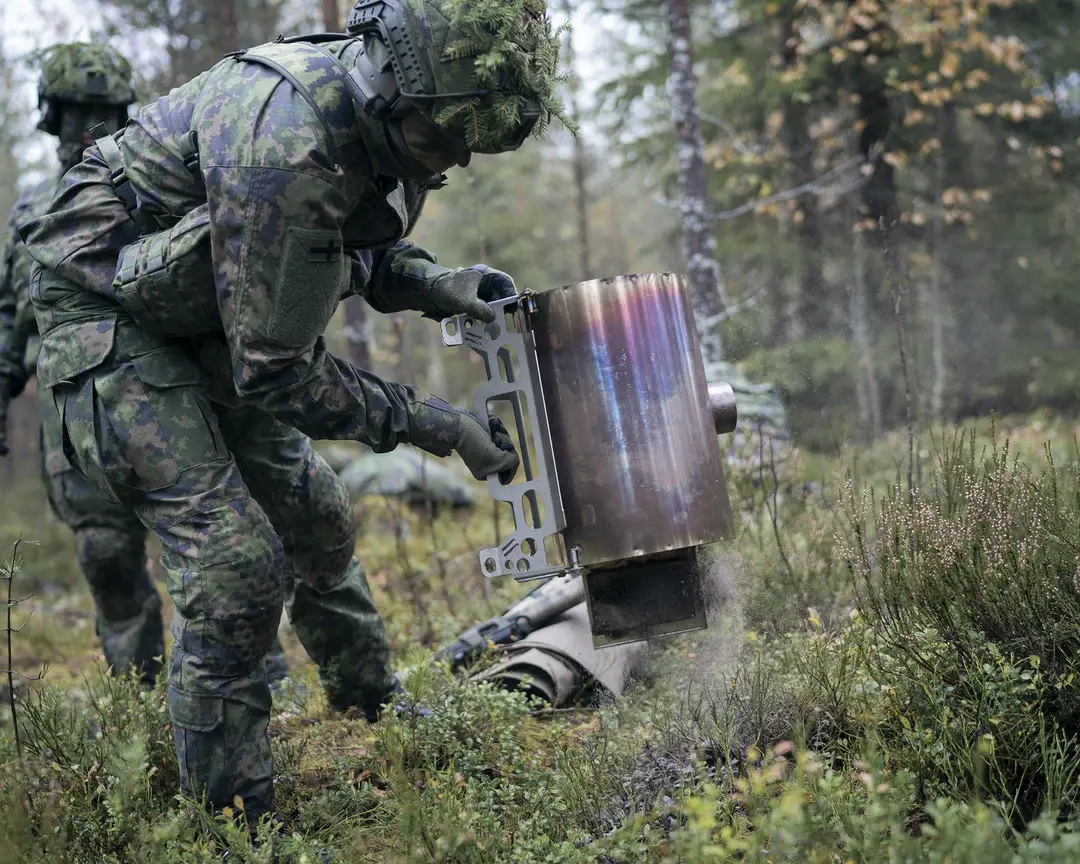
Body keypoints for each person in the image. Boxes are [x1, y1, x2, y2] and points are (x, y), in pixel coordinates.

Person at [21, 0, 567, 826]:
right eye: (440, 137)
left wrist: (436, 284)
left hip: (205, 306)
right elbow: (281, 375)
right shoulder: (285, 147)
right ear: (392, 92)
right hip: (104, 312)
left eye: (470, 142)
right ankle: (235, 821)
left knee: (317, 516)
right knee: (234, 564)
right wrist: (438, 425)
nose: (454, 159)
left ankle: (369, 705)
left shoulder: (390, 112)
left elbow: (356, 246)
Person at [0, 43, 290, 687]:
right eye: (75, 111)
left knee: (218, 548)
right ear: (50, 116)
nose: (90, 124)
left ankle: (251, 684)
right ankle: (139, 696)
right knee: (106, 556)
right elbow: (8, 321)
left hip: (176, 407)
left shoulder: (155, 190)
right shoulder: (30, 212)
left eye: (105, 110)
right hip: (75, 421)